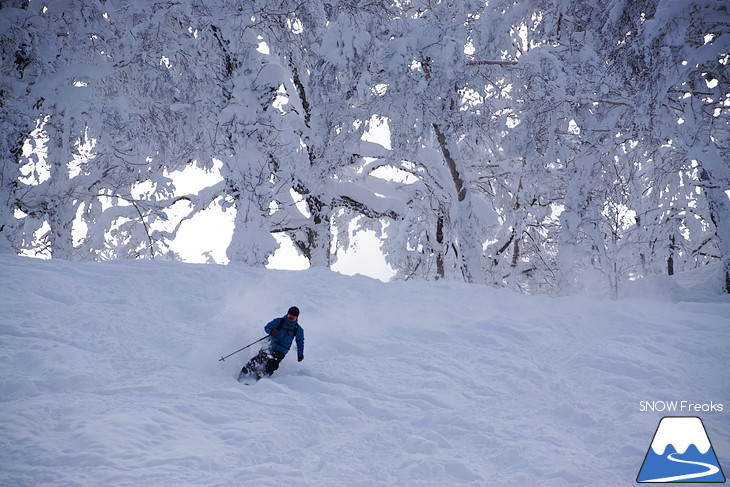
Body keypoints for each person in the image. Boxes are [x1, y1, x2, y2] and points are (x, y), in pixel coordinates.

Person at [238, 306, 304, 382]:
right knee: (260, 358)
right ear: (287, 314)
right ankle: (244, 373)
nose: (290, 319)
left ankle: (260, 378)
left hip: (282, 350)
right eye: (289, 316)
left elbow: (300, 342)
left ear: (296, 318)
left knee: (273, 364)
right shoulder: (279, 321)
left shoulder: (297, 329)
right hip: (271, 345)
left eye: (293, 318)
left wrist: (300, 354)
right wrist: (271, 331)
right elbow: (266, 327)